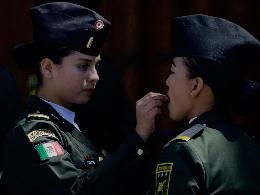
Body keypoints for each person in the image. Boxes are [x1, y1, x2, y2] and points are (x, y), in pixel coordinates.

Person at [2, 2, 167, 195]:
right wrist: (138, 138)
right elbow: (77, 190)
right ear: (48, 68)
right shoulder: (35, 133)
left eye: (96, 66)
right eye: (83, 66)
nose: (95, 76)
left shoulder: (70, 125)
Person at [146, 14, 260, 195]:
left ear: (195, 85)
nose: (168, 81)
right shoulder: (254, 149)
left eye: (173, 71)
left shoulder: (184, 150)